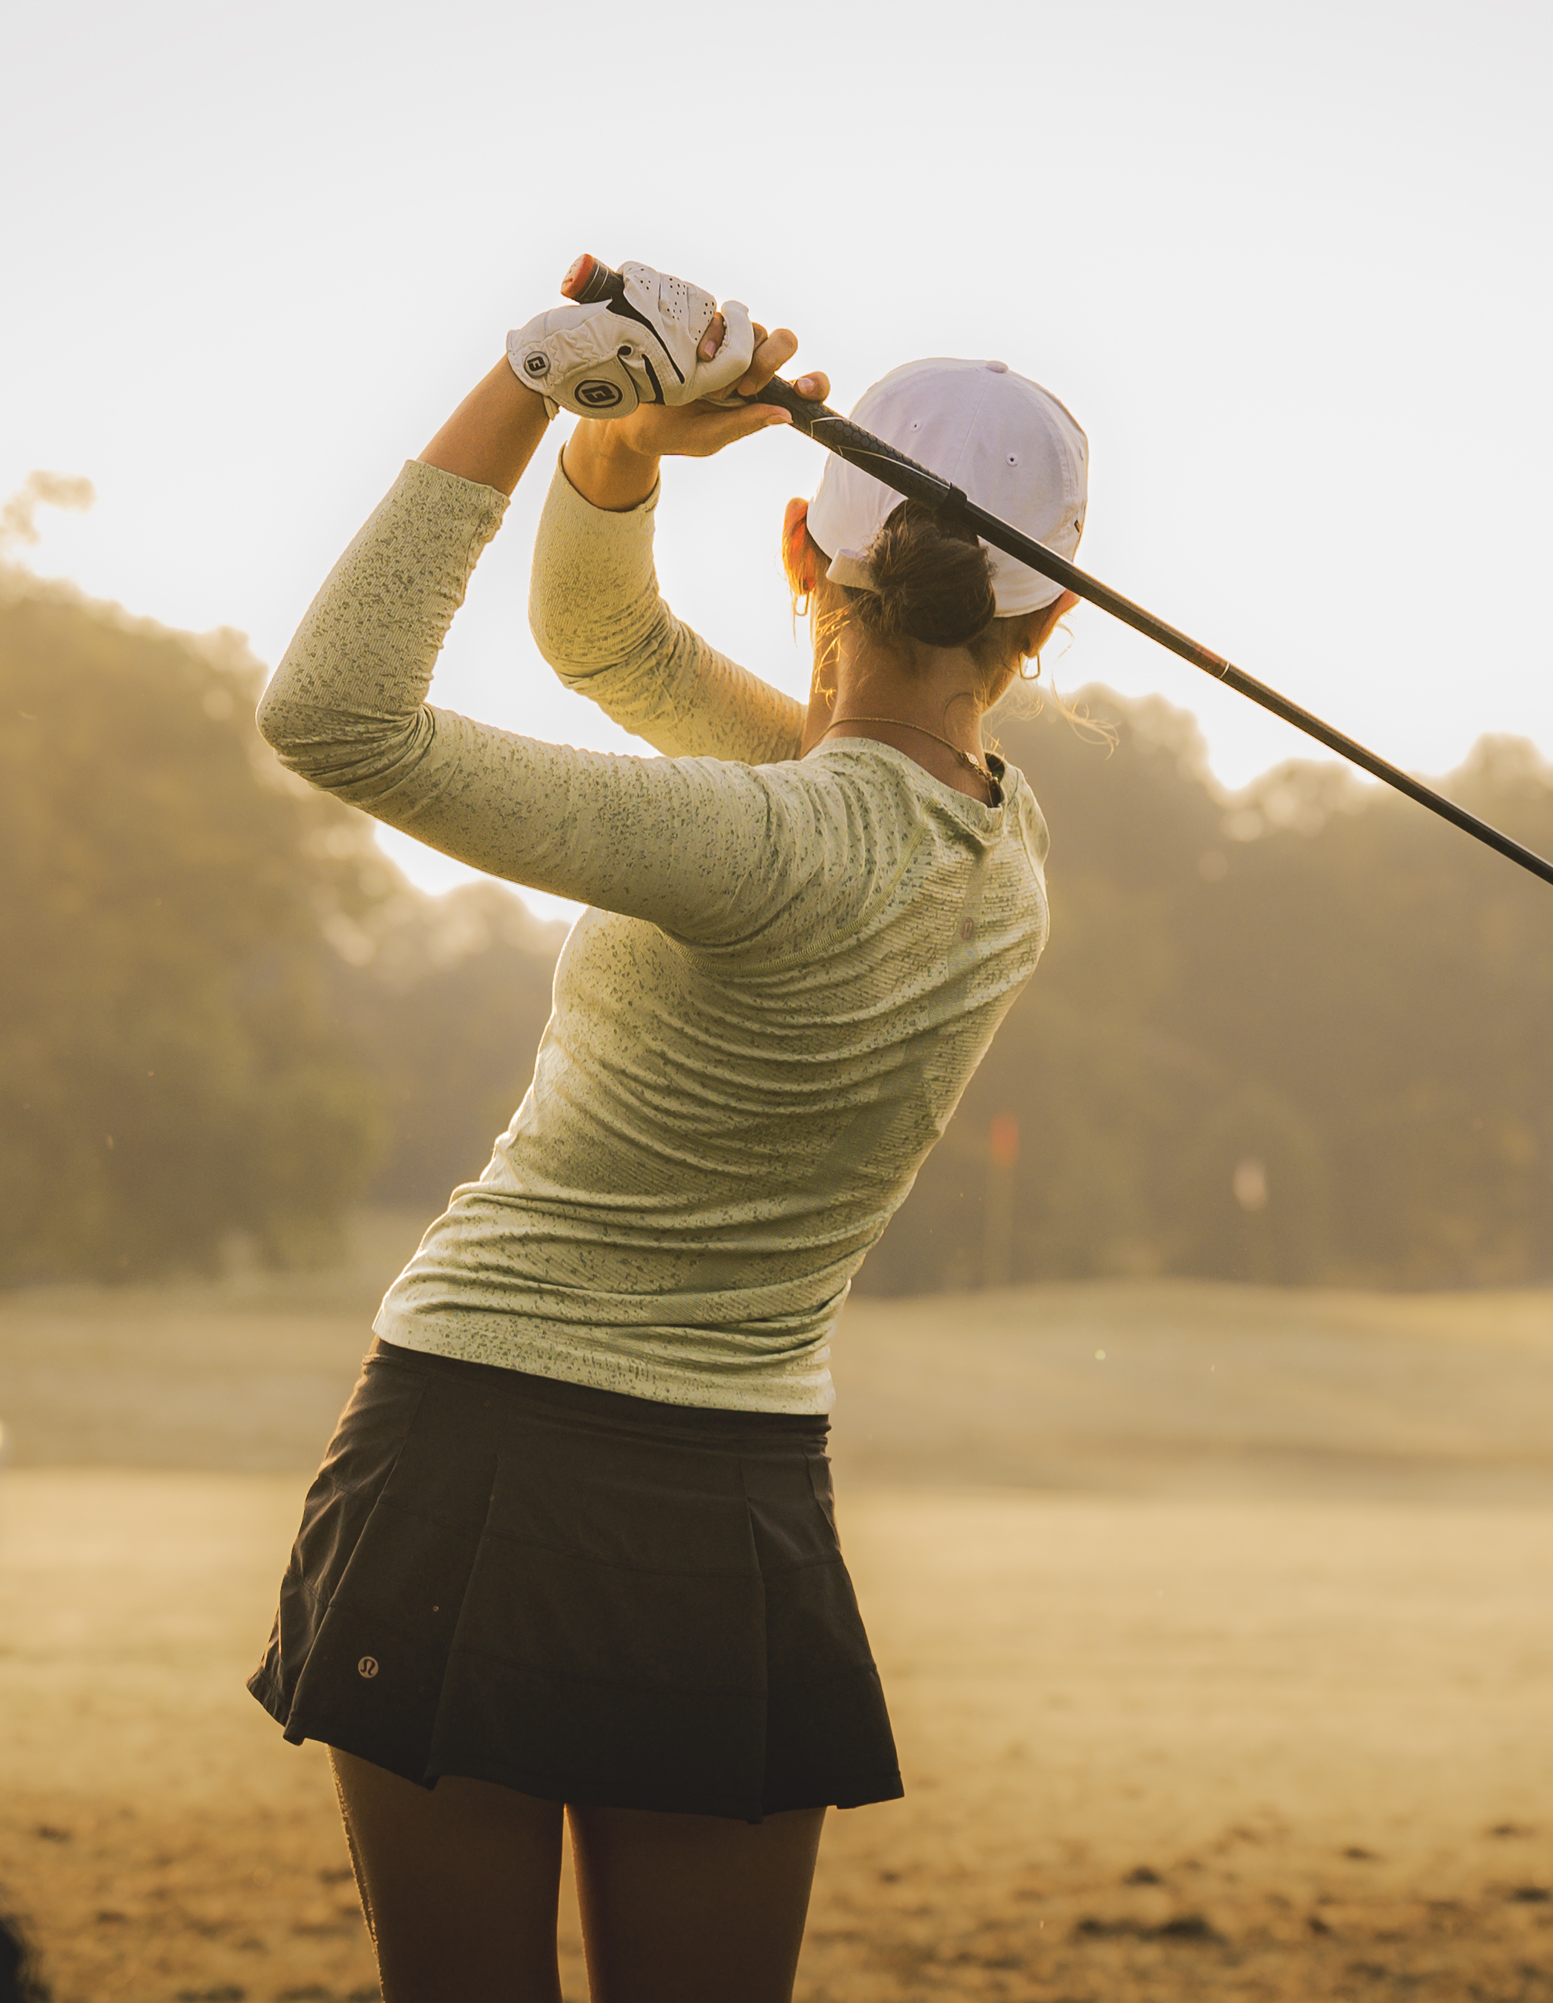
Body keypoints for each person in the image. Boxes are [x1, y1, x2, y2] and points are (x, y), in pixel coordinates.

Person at [246, 260, 1090, 2002]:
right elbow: (609, 648)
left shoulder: (770, 839)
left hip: (470, 1443)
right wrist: (612, 455)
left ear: (802, 550)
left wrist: (543, 375)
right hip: (734, 1500)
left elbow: (332, 715)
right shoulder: (999, 859)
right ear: (1046, 621)